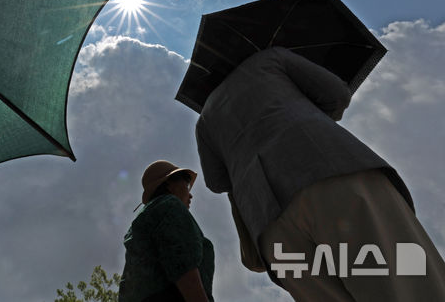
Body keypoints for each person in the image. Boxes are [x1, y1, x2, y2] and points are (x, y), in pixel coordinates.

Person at [196, 46, 445, 301]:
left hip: (268, 224)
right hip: (329, 171)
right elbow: (337, 94)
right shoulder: (270, 57)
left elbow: (216, 182)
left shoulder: (205, 117)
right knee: (406, 286)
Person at [118, 160, 214, 302]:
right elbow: (185, 270)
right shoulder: (169, 206)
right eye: (187, 185)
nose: (190, 194)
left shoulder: (146, 218)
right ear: (169, 185)